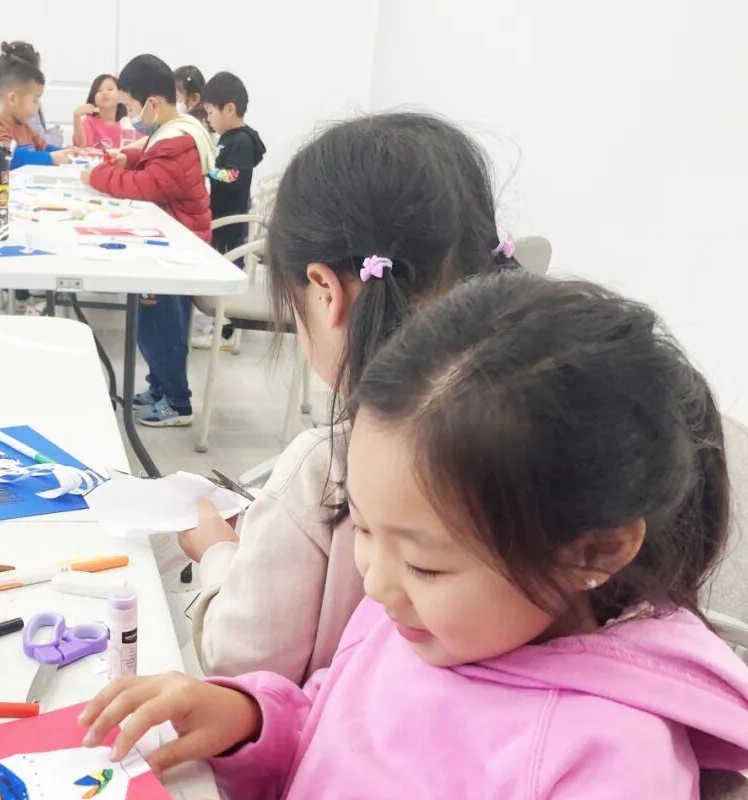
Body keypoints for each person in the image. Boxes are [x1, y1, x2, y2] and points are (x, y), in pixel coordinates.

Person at [81, 272, 748, 800]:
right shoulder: (415, 619)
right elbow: (333, 741)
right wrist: (250, 722)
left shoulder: (615, 760)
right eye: (364, 527)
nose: (375, 582)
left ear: (592, 553)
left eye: (426, 565)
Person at [177, 113, 519, 683]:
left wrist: (217, 553)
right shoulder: (540, 431)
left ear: (324, 290)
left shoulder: (326, 467)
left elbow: (242, 665)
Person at [84, 54, 217, 427]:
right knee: (154, 324)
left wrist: (97, 177)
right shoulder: (175, 131)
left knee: (161, 331)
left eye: (130, 107)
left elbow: (146, 184)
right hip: (169, 245)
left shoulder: (177, 142)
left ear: (153, 104)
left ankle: (177, 402)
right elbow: (148, 154)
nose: (130, 116)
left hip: (175, 253)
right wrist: (126, 157)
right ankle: (159, 388)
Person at [191, 70, 267, 350]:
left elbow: (233, 176)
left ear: (230, 109)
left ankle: (224, 333)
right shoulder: (229, 138)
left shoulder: (240, 141)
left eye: (211, 112)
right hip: (223, 214)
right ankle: (216, 328)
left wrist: (207, 169)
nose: (208, 118)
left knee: (224, 275)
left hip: (229, 221)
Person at [0, 42, 71, 167]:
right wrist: (50, 158)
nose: (37, 106)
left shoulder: (24, 125)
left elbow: (44, 147)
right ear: (13, 99)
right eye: (34, 100)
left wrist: (66, 152)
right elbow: (7, 156)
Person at [72, 73, 127, 149]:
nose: (105, 93)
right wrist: (76, 116)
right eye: (99, 90)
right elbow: (81, 147)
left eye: (110, 89)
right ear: (93, 97)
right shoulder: (89, 121)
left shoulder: (127, 123)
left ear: (120, 95)